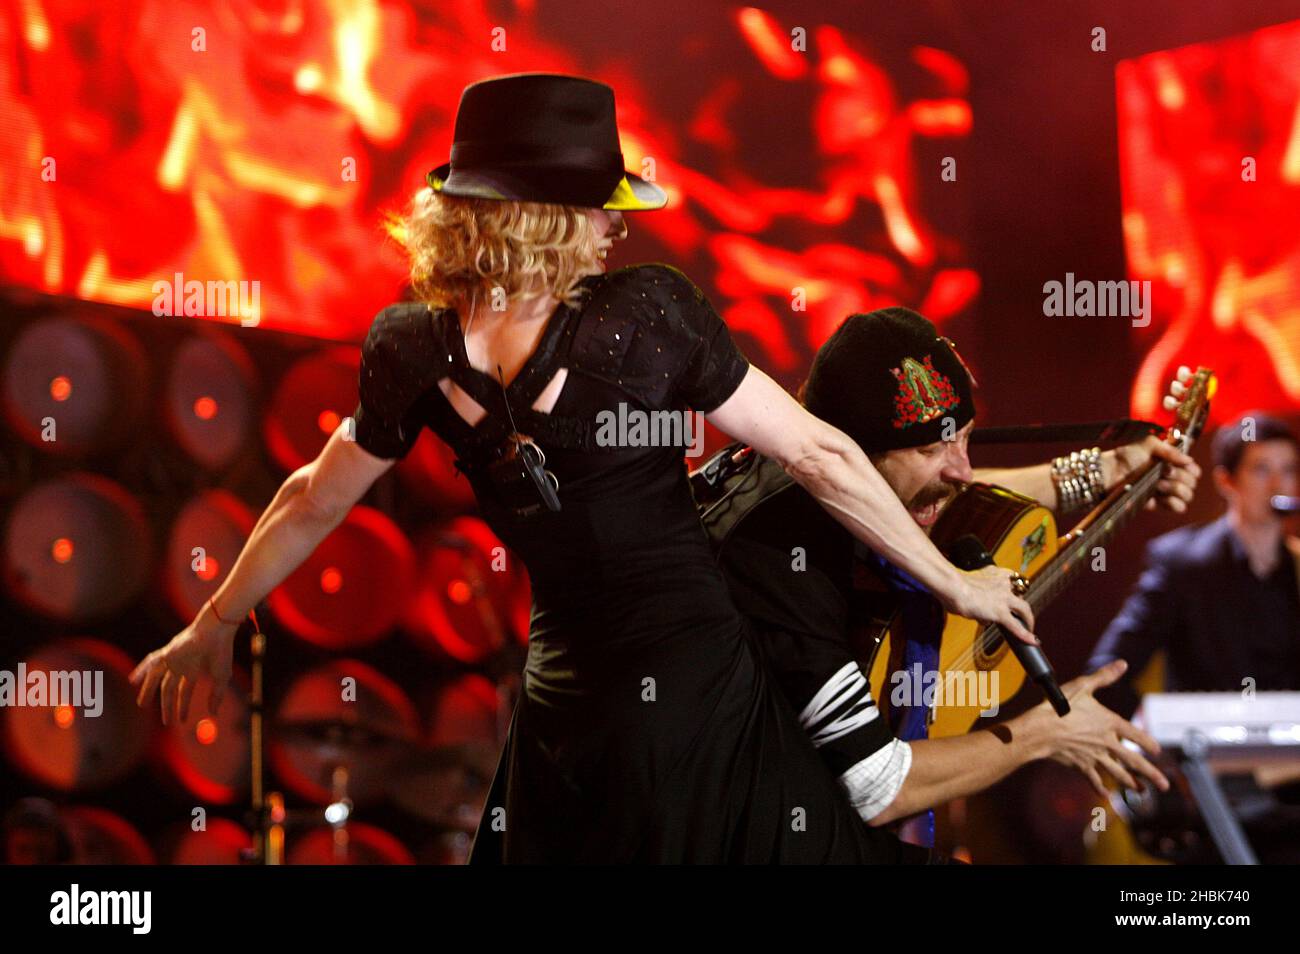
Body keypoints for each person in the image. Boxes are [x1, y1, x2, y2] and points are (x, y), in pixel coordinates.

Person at [132, 73, 1038, 863]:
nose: (615, 225)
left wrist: (214, 624)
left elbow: (309, 499)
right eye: (599, 206)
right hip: (690, 692)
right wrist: (956, 590)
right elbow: (822, 452)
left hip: (566, 699)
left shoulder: (412, 350)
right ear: (546, 218)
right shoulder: (643, 318)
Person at [698, 307, 1196, 836]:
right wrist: (1042, 734)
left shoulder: (846, 493)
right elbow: (875, 786)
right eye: (931, 447)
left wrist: (1107, 471)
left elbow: (942, 497)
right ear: (851, 456)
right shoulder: (780, 552)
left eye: (964, 436)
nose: (961, 466)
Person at [1088, 411, 1300, 716]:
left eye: (1289, 470)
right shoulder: (1182, 563)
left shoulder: (1294, 566)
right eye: (1262, 470)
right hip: (1204, 755)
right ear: (1226, 481)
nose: (1279, 485)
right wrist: (1158, 737)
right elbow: (1108, 670)